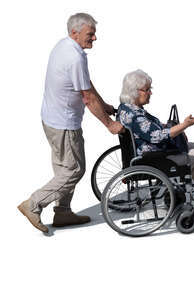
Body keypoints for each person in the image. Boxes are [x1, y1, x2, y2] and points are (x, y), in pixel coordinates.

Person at [18, 13, 123, 233]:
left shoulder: (64, 46)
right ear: (74, 32)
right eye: (90, 34)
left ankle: (63, 213)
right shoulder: (75, 57)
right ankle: (33, 204)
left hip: (52, 119)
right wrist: (109, 124)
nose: (95, 38)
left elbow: (84, 81)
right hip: (64, 124)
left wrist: (104, 105)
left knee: (63, 169)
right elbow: (87, 97)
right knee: (74, 170)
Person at [118, 69, 194, 206]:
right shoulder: (136, 116)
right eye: (147, 89)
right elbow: (158, 136)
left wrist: (169, 126)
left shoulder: (125, 108)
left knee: (192, 146)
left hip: (144, 152)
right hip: (152, 158)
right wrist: (185, 125)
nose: (150, 92)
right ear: (135, 91)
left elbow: (149, 128)